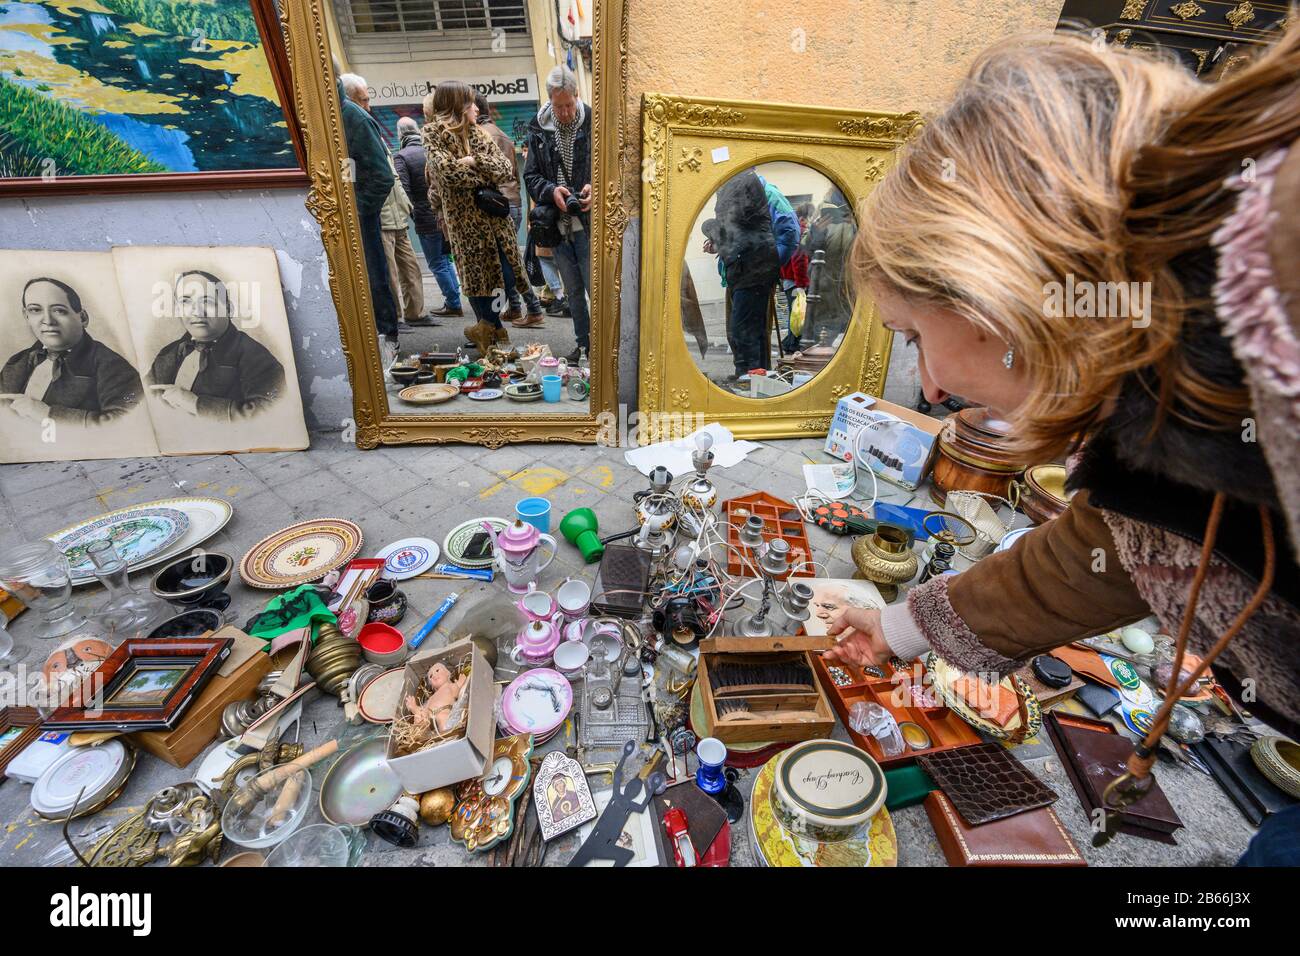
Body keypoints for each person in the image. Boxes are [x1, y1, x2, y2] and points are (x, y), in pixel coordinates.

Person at [823, 30, 1300, 851]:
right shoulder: (1169, 381)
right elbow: (1113, 547)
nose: (930, 389)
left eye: (911, 336)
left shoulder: (1273, 346)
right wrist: (902, 630)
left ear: (996, 296)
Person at [422, 80, 534, 355]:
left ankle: (487, 328)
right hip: (464, 225)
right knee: (477, 282)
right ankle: (493, 334)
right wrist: (481, 173)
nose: (475, 107)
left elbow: (505, 168)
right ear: (455, 106)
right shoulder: (432, 135)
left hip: (495, 220)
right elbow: (447, 173)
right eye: (469, 102)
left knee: (504, 278)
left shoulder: (479, 134)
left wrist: (473, 162)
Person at [0, 277, 142, 426]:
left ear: (83, 318)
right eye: (35, 310)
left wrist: (48, 414)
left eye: (59, 310)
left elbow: (125, 425)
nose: (47, 320)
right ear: (26, 316)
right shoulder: (17, 362)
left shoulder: (113, 366)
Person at [148, 270, 285, 421]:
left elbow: (269, 416)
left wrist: (195, 404)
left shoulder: (256, 358)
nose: (197, 311)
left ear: (229, 309)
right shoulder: (169, 353)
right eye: (185, 301)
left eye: (207, 301)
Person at [701, 167, 797, 380]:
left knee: (747, 330)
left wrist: (770, 264)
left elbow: (790, 232)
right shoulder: (734, 184)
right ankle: (749, 376)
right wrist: (718, 243)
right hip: (739, 269)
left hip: (754, 270)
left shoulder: (752, 184)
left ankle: (751, 378)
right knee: (741, 330)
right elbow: (738, 229)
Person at [524, 65, 592, 363]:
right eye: (558, 106)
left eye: (568, 105)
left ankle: (605, 344)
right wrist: (552, 191)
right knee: (573, 292)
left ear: (577, 96)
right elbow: (531, 177)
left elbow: (616, 164)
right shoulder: (538, 128)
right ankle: (584, 344)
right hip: (559, 226)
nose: (564, 112)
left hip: (591, 224)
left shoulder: (594, 122)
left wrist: (596, 186)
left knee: (597, 289)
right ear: (549, 100)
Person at [337, 70, 400, 359]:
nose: (369, 105)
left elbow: (382, 176)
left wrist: (358, 211)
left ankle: (387, 345)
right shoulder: (336, 114)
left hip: (361, 217)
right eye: (364, 99)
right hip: (345, 213)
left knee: (375, 277)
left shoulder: (355, 118)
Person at [475, 92, 545, 328]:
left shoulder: (481, 136)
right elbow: (514, 172)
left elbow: (490, 174)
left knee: (507, 261)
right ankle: (515, 307)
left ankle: (532, 307)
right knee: (508, 257)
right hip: (510, 201)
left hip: (496, 204)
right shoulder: (501, 133)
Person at [394, 115, 462, 320]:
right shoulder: (430, 150)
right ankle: (455, 298)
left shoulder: (402, 157)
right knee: (446, 259)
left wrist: (413, 214)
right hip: (444, 213)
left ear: (400, 135)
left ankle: (453, 302)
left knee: (436, 262)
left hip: (425, 218)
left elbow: (403, 190)